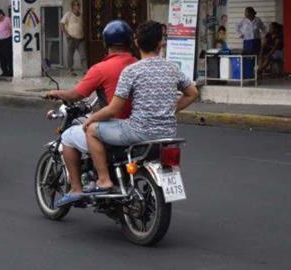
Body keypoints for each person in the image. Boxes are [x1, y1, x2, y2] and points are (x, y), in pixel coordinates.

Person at [82, 21, 199, 193]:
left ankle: (104, 180)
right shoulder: (172, 68)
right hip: (168, 134)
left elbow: (113, 109)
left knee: (91, 130)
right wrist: (168, 109)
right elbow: (193, 93)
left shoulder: (132, 71)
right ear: (161, 43)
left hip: (139, 132)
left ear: (136, 43)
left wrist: (91, 119)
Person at [46, 20, 137, 206]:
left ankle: (77, 188)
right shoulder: (137, 64)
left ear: (106, 43)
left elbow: (76, 94)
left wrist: (56, 93)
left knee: (69, 136)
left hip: (116, 126)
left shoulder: (101, 68)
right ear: (130, 42)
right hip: (137, 124)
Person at [60, 0, 87, 76]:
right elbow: (61, 24)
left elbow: (83, 26)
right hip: (71, 38)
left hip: (81, 39)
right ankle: (70, 70)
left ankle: (85, 70)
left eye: (78, 5)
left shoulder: (81, 15)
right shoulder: (68, 14)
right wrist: (67, 34)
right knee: (70, 55)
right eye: (76, 5)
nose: (78, 6)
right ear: (72, 6)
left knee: (83, 55)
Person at [0, 9, 13, 77]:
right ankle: (4, 71)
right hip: (0, 41)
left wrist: (10, 37)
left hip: (7, 40)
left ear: (1, 14)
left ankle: (10, 72)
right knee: (1, 56)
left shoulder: (7, 19)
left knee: (8, 56)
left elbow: (12, 28)